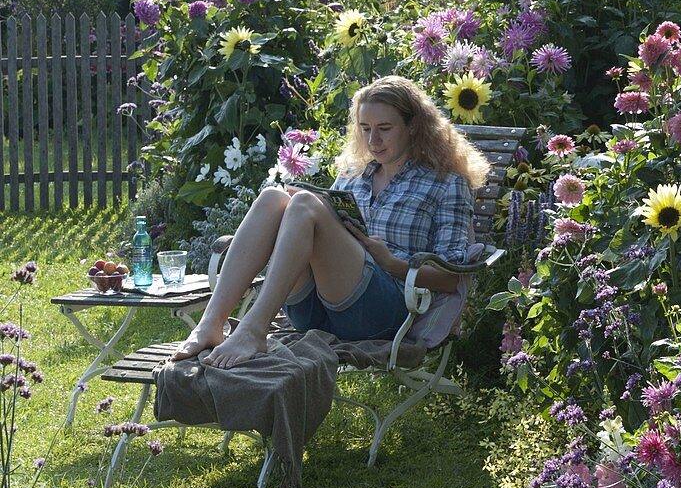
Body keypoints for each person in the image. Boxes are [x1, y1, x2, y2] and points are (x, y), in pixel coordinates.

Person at [172, 75, 490, 369]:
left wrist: (393, 264)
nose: (373, 140)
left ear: (413, 127)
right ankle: (211, 324)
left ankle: (253, 330)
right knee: (274, 198)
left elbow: (451, 280)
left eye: (385, 128)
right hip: (317, 310)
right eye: (365, 129)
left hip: (383, 310)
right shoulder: (354, 176)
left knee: (305, 204)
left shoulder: (446, 182)